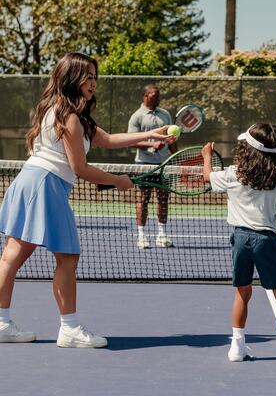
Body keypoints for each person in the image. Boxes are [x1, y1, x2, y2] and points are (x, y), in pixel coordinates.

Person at [0, 52, 175, 348]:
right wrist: (118, 181)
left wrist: (149, 136)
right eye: (87, 76)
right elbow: (79, 168)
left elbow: (106, 139)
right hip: (46, 185)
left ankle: (1, 323)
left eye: (95, 77)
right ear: (72, 78)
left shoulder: (55, 109)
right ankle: (69, 328)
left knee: (12, 257)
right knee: (67, 258)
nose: (93, 83)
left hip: (28, 180)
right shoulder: (69, 116)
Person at [201, 123, 276, 366]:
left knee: (242, 293)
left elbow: (207, 177)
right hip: (266, 241)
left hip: (240, 240)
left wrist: (206, 157)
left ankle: (237, 346)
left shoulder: (234, 173)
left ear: (247, 148)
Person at [128, 85, 178, 249]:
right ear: (145, 96)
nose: (158, 98)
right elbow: (132, 140)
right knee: (143, 199)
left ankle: (162, 234)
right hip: (144, 165)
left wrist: (176, 156)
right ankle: (142, 236)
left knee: (163, 199)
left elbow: (171, 139)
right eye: (155, 95)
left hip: (164, 165)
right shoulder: (137, 116)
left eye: (159, 96)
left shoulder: (165, 115)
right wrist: (151, 146)